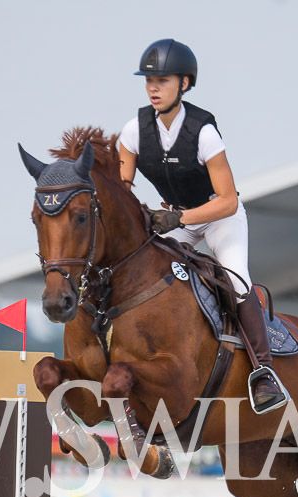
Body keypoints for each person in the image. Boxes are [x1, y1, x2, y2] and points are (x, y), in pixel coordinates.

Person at [117, 38, 288, 415]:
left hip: (218, 217)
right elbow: (122, 189)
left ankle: (263, 373)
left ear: (184, 83)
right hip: (173, 217)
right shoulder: (133, 131)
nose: (153, 88)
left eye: (162, 80)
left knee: (237, 280)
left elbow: (228, 200)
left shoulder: (203, 132)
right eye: (149, 81)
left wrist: (179, 218)